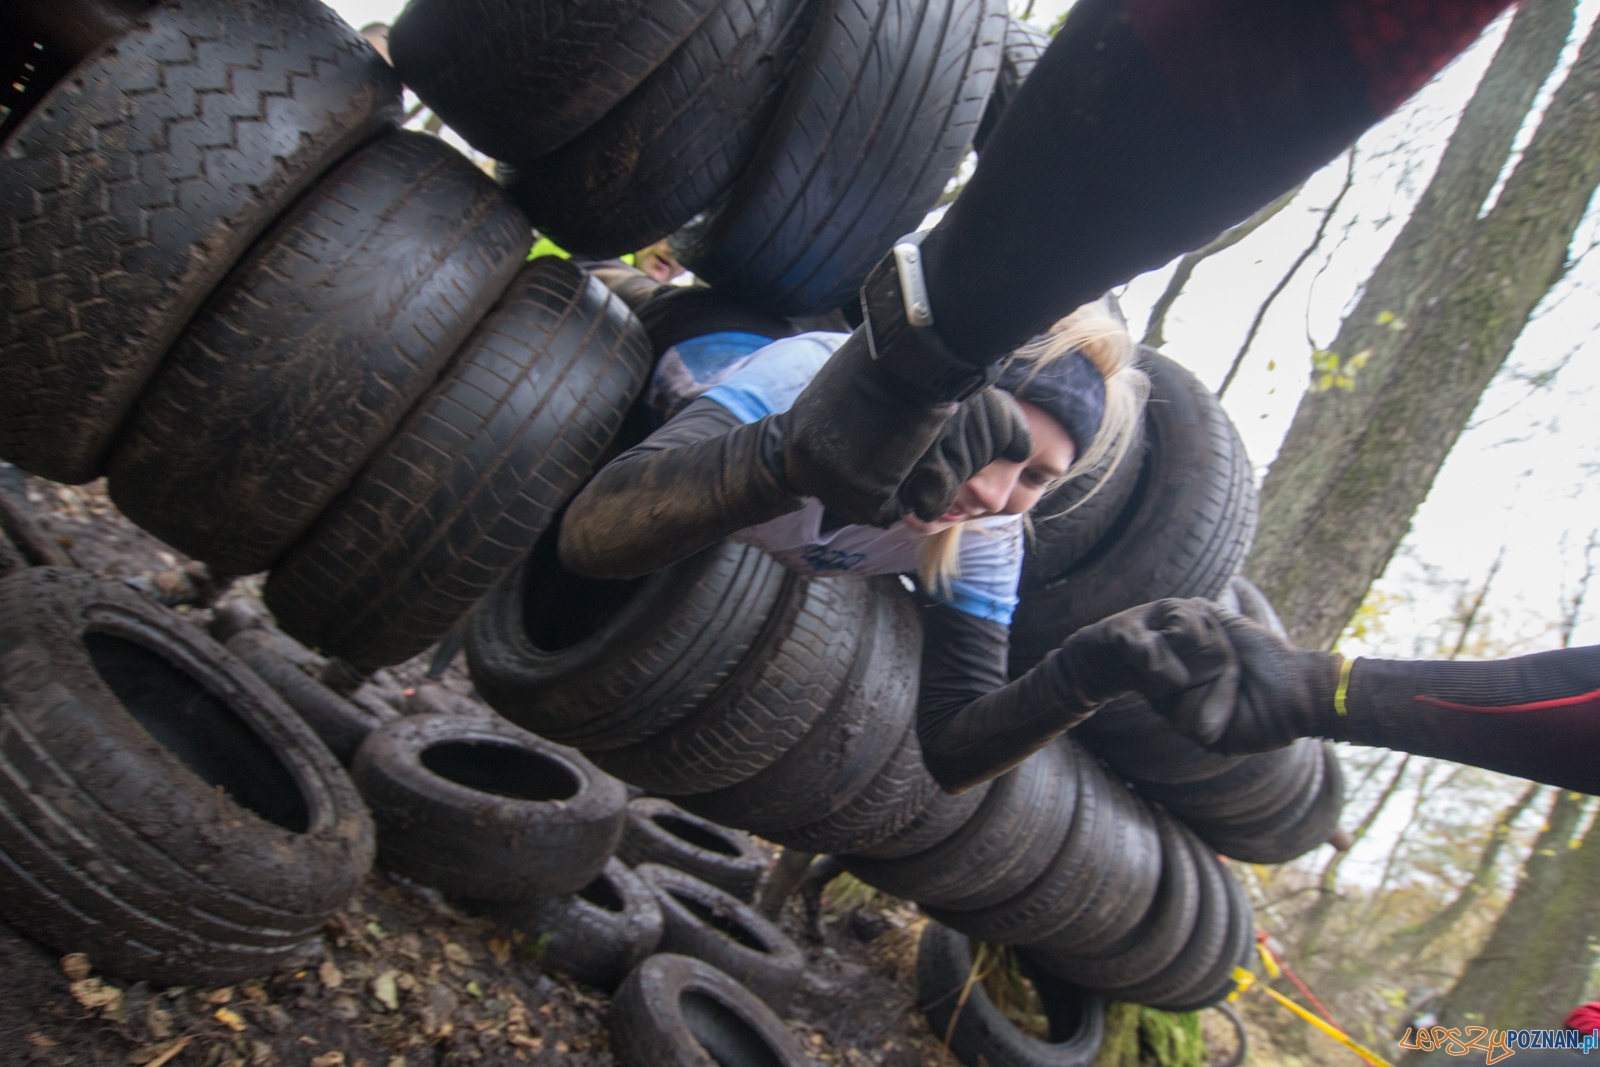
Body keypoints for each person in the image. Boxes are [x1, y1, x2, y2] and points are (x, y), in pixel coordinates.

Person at [561, 297, 1234, 792]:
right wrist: (801, 454)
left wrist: (1087, 676)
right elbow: (591, 537)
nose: (995, 495)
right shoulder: (803, 377)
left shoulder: (989, 534)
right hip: (684, 357)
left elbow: (952, 748)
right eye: (999, 446)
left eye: (1034, 477)